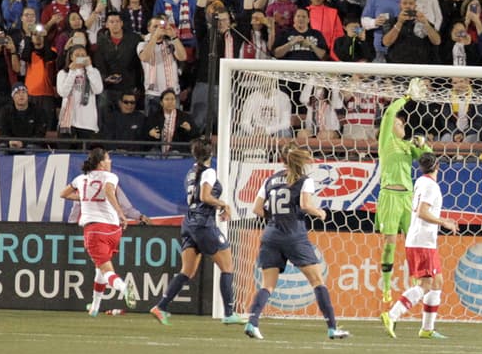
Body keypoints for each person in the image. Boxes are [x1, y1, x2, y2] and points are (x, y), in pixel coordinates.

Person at [244, 145, 349, 341]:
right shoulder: (304, 180)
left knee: (267, 285)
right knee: (317, 281)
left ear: (283, 160)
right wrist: (320, 213)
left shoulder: (270, 180)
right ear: (302, 161)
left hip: (270, 235)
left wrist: (276, 217)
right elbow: (305, 205)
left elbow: (256, 209)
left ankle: (252, 322)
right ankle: (332, 328)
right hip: (294, 235)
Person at [149, 140, 245, 326]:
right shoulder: (208, 171)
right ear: (211, 154)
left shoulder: (191, 172)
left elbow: (197, 198)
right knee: (227, 266)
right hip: (203, 224)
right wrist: (223, 204)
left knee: (187, 271)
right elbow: (205, 197)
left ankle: (160, 306)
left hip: (189, 222)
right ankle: (229, 313)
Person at [380, 153, 458, 339]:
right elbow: (423, 212)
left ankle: (427, 329)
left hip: (421, 240)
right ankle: (392, 314)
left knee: (437, 282)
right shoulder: (431, 186)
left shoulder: (420, 182)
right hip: (422, 241)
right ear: (437, 166)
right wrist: (444, 222)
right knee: (426, 284)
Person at [60, 147, 138, 316]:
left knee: (106, 271)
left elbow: (63, 194)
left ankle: (123, 287)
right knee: (100, 269)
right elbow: (109, 191)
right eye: (108, 159)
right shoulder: (110, 177)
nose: (110, 161)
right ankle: (94, 308)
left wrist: (83, 197)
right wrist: (120, 214)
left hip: (95, 230)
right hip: (113, 230)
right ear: (101, 163)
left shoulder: (80, 179)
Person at [375, 77, 433, 303]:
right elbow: (390, 113)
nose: (403, 126)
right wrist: (408, 97)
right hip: (389, 196)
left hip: (408, 198)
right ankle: (386, 288)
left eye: (403, 124)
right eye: (400, 124)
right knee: (390, 242)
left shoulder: (408, 146)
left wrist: (423, 145)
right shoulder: (386, 141)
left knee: (412, 242)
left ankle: (417, 283)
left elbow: (429, 162)